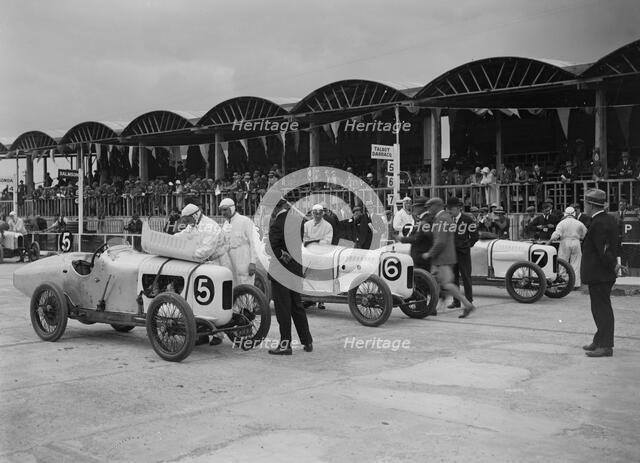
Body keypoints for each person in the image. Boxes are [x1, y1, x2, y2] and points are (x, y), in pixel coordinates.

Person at [268, 199, 313, 355]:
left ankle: (285, 344)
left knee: (283, 309)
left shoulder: (278, 222)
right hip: (295, 269)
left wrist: (280, 254)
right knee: (297, 306)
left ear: (277, 208)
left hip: (281, 271)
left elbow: (271, 246)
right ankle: (307, 341)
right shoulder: (297, 221)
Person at [421, 197, 476, 318]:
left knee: (447, 284)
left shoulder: (442, 219)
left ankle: (467, 304)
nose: (428, 209)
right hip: (445, 257)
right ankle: (436, 305)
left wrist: (429, 253)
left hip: (442, 258)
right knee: (437, 282)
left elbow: (440, 242)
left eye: (430, 207)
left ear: (437, 206)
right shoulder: (445, 218)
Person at [580, 189, 620, 358]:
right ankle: (599, 339)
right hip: (601, 273)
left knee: (601, 309)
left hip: (600, 274)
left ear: (590, 205)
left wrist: (613, 266)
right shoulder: (607, 219)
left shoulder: (598, 223)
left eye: (586, 203)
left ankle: (605, 346)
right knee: (599, 308)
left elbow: (603, 251)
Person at [446, 197, 478, 309]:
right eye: (448, 209)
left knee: (466, 277)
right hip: (452, 254)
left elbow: (475, 236)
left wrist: (466, 245)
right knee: (453, 278)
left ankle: (469, 301)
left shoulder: (467, 220)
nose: (450, 211)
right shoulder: (449, 220)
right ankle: (456, 301)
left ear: (459, 208)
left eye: (451, 209)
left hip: (463, 254)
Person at [219, 198, 257, 286]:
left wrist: (253, 262)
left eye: (225, 210)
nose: (223, 213)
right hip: (231, 264)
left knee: (246, 288)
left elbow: (253, 242)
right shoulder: (225, 224)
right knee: (235, 289)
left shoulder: (245, 221)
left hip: (244, 261)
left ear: (232, 208)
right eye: (221, 210)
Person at [548, 207, 587, 289]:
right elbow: (584, 234)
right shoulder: (579, 223)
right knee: (576, 263)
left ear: (565, 213)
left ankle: (563, 282)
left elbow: (556, 234)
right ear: (574, 214)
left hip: (564, 242)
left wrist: (550, 241)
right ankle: (575, 284)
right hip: (576, 242)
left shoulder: (562, 223)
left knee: (563, 262)